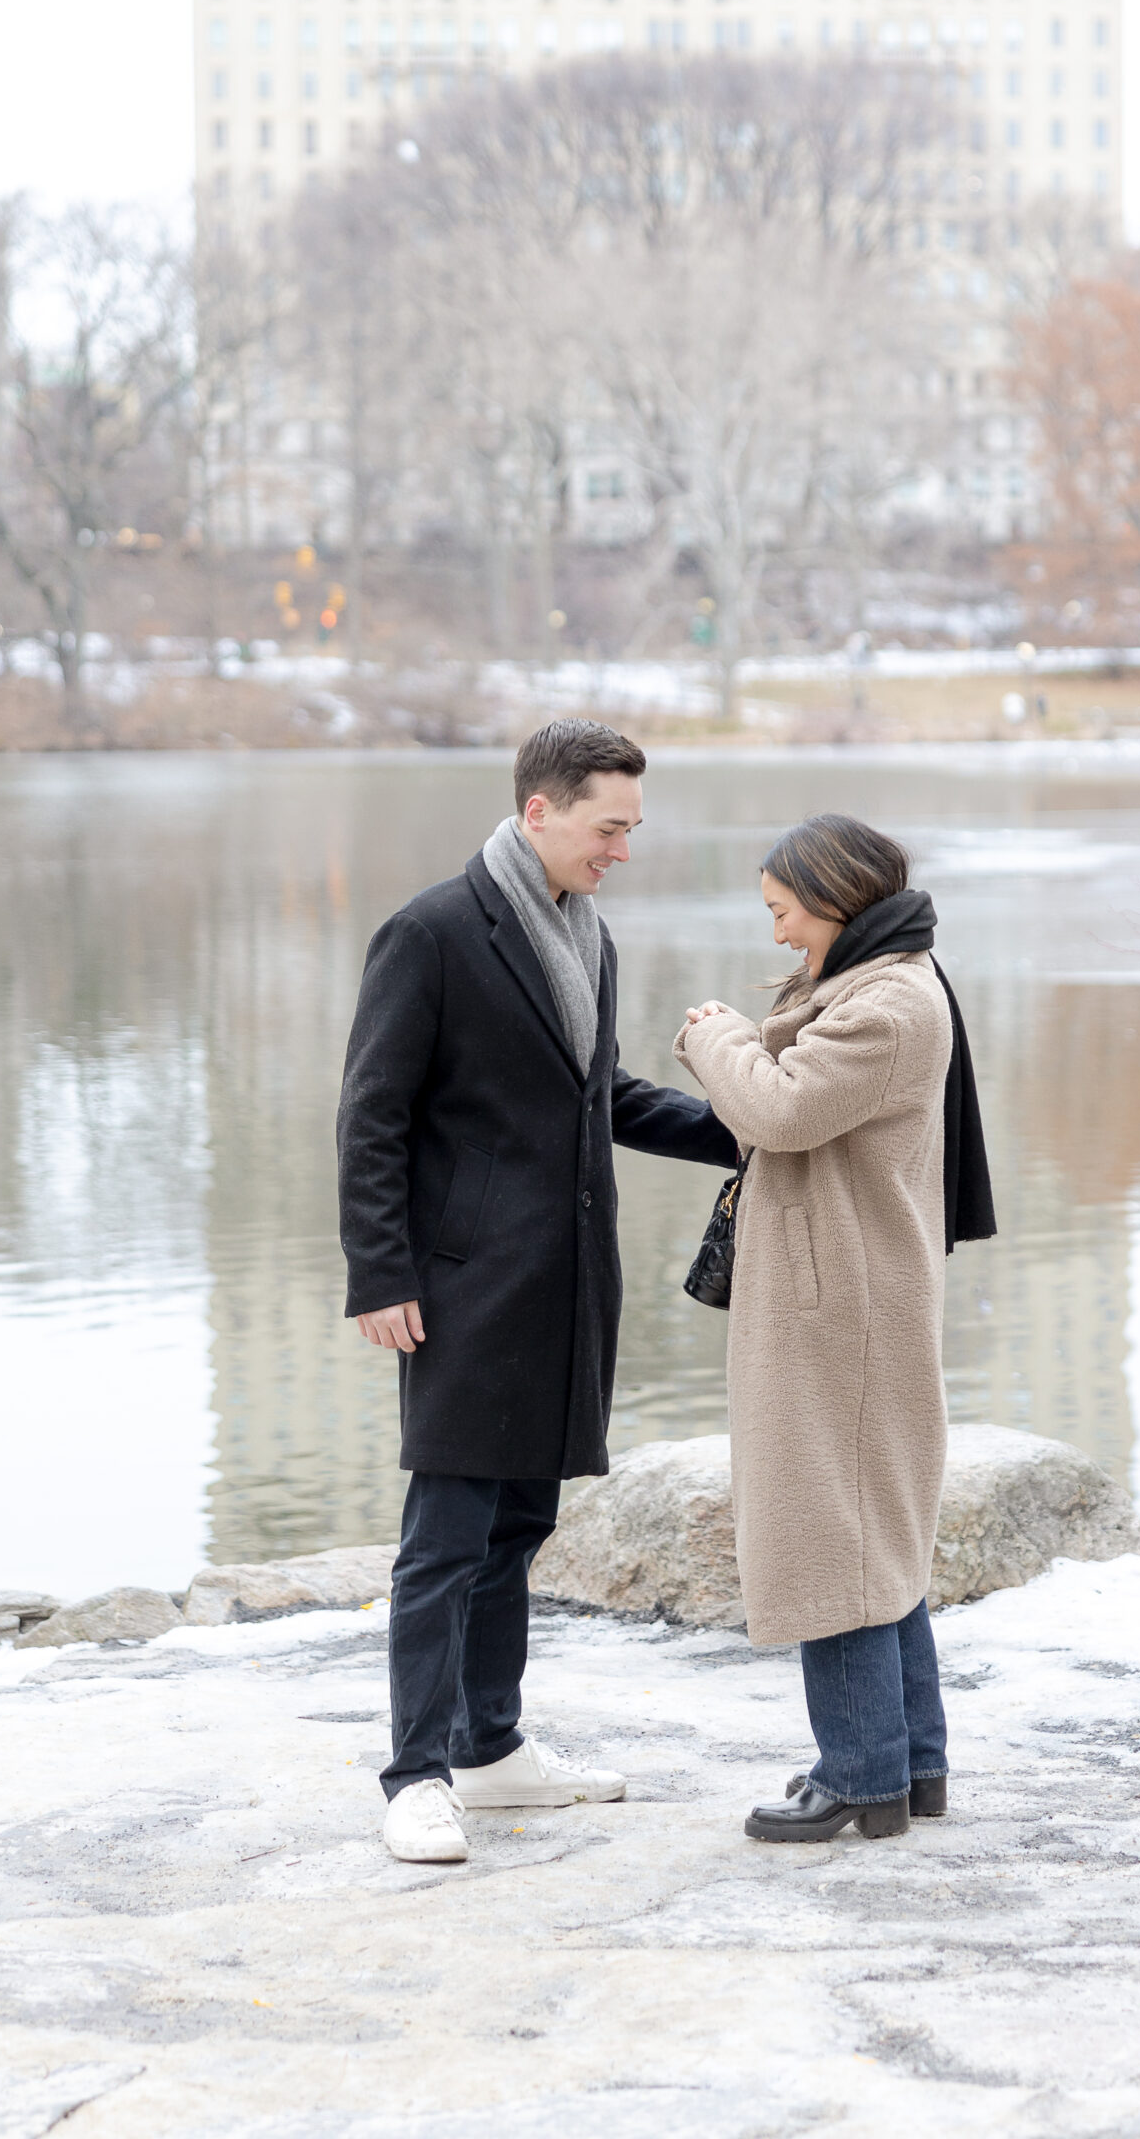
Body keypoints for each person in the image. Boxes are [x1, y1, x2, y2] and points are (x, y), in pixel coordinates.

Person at [338, 718, 739, 1865]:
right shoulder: (429, 931)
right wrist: (381, 1270)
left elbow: (595, 1092)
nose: (622, 847)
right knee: (446, 1534)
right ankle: (415, 1774)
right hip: (461, 1286)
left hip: (563, 1282)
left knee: (519, 1525)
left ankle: (492, 1743)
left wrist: (741, 1127)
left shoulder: (584, 933)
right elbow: (372, 1115)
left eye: (631, 827)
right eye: (608, 826)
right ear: (540, 813)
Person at [674, 813, 995, 1844]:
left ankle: (857, 1775)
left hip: (838, 1307)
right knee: (875, 1533)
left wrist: (713, 1036)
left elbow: (776, 1113)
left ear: (831, 897)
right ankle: (912, 1763)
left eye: (781, 911)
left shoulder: (888, 1004)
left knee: (832, 1539)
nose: (775, 934)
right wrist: (755, 1032)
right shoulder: (881, 984)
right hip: (850, 1292)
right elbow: (795, 1087)